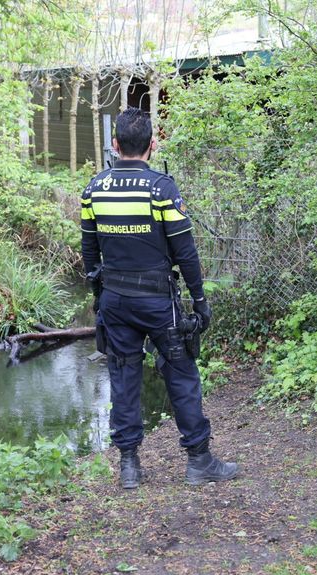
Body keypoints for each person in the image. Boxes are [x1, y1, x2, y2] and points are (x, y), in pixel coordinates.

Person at [80, 108, 239, 489]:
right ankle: (199, 461)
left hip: (115, 300)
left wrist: (100, 296)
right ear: (152, 145)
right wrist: (200, 302)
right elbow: (185, 252)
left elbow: (89, 251)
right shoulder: (161, 189)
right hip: (157, 302)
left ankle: (130, 467)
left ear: (115, 145)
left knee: (123, 377)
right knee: (181, 375)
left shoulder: (94, 189)